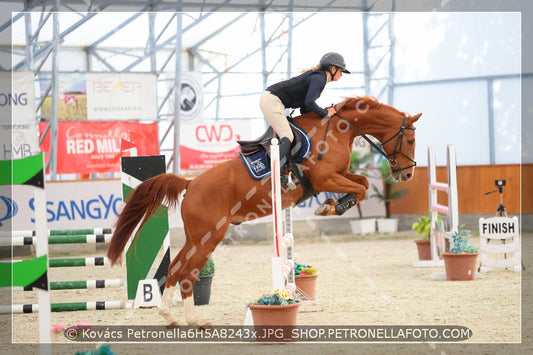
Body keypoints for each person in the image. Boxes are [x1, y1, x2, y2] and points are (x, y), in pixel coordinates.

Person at [259, 52, 350, 185]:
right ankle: (278, 174)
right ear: (332, 68)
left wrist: (322, 114)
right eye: (340, 70)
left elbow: (305, 109)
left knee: (289, 135)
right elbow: (309, 103)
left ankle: (286, 169)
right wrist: (325, 114)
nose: (341, 75)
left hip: (273, 100)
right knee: (287, 136)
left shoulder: (319, 78)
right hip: (272, 100)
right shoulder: (320, 79)